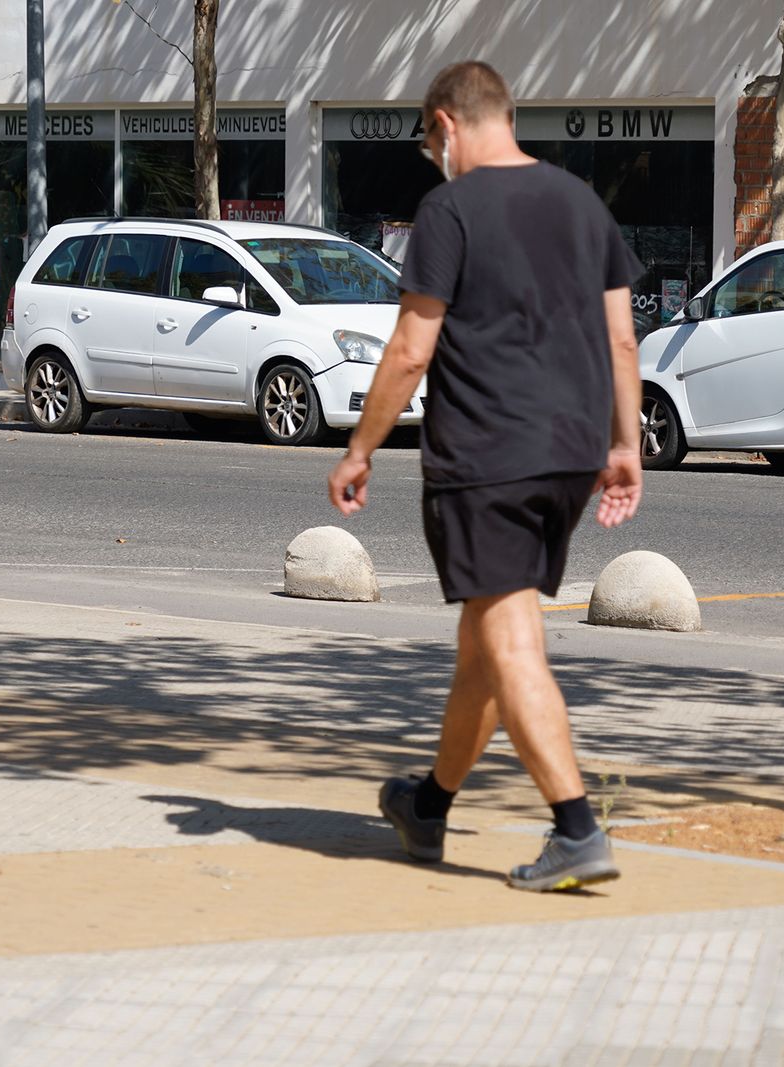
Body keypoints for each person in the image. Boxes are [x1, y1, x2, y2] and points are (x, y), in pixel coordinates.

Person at [326, 61, 645, 892]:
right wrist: (625, 443)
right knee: (484, 644)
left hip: (487, 457)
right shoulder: (583, 203)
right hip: (569, 455)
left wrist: (360, 449)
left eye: (428, 142)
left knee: (509, 641)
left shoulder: (451, 208)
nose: (433, 156)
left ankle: (576, 828)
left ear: (445, 124)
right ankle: (428, 805)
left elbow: (410, 348)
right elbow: (621, 339)